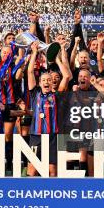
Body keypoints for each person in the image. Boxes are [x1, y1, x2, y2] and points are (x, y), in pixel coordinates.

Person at [26, 41, 72, 177]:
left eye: (49, 80)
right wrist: (34, 53)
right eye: (44, 80)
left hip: (52, 136)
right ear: (39, 83)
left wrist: (56, 59)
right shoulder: (35, 93)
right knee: (32, 170)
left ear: (52, 83)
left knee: (52, 171)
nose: (46, 82)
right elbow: (29, 71)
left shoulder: (57, 95)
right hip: (36, 136)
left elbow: (67, 76)